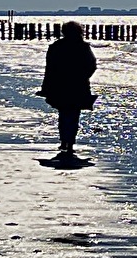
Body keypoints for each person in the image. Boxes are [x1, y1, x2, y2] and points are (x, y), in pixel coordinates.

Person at [39, 21, 97, 157]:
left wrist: (46, 87)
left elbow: (50, 69)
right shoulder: (83, 47)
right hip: (78, 85)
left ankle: (64, 141)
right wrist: (83, 77)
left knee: (63, 113)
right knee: (74, 114)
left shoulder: (56, 47)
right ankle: (70, 142)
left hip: (60, 85)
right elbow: (92, 65)